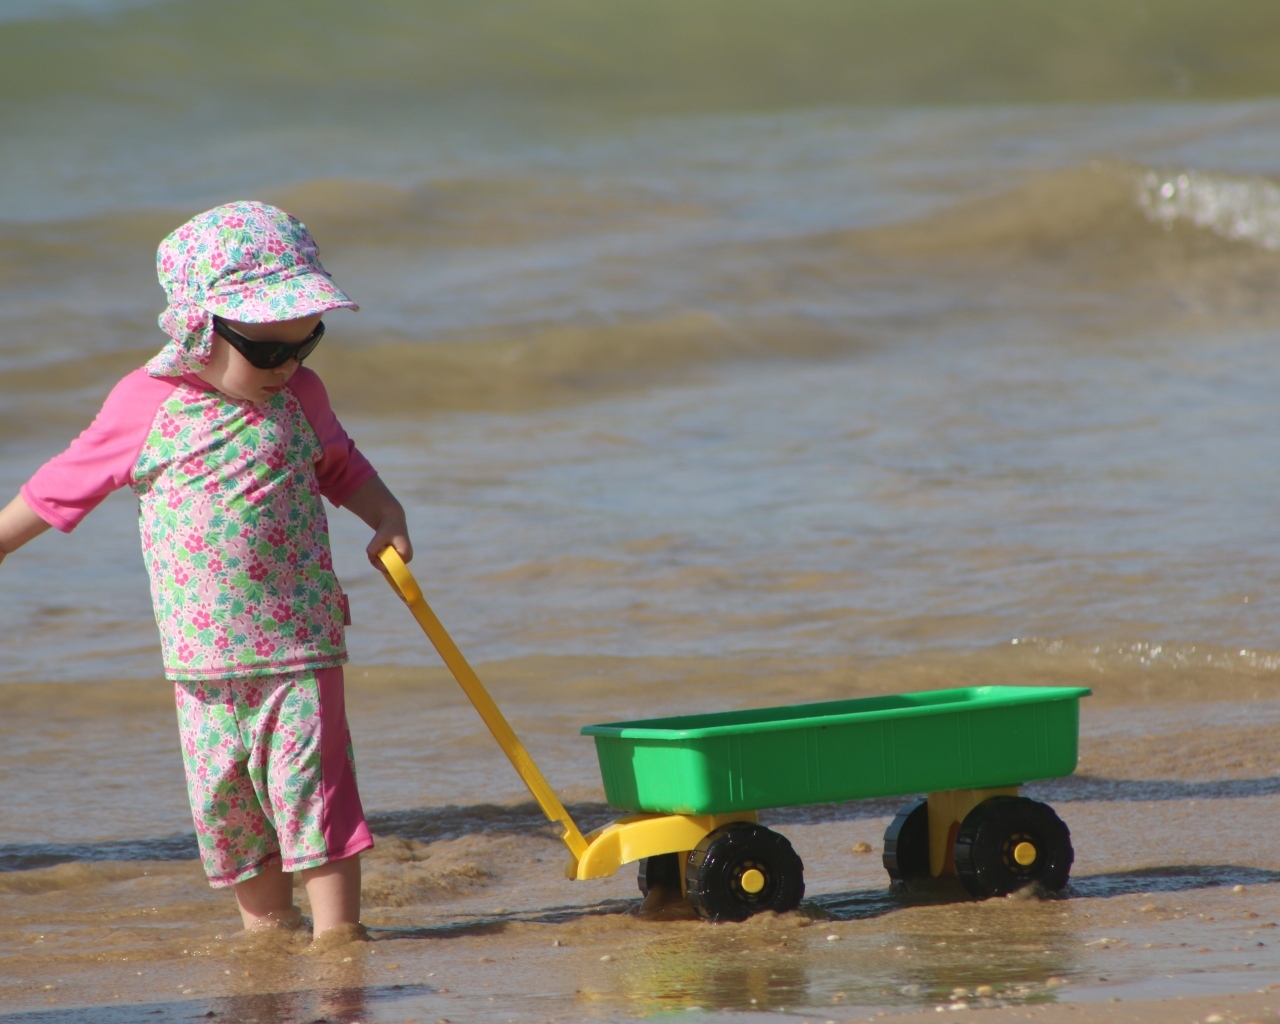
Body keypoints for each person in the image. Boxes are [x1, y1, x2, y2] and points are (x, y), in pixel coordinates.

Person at [0, 201, 411, 941]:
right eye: (266, 351)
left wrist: (386, 514)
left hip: (300, 643)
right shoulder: (144, 405)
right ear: (199, 328)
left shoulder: (300, 398)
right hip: (200, 658)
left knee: (312, 793)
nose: (286, 366)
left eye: (305, 345)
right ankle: (267, 932)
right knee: (229, 805)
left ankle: (339, 939)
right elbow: (62, 483)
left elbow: (341, 466)